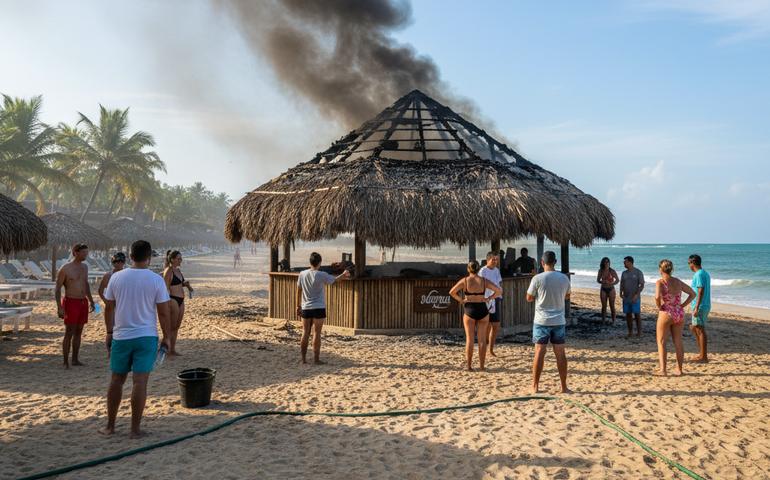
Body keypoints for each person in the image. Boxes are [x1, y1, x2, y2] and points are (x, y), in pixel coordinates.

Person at [100, 240, 171, 439]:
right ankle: (135, 430)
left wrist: (109, 332)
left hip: (121, 336)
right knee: (140, 382)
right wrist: (167, 337)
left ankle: (110, 426)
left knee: (116, 380)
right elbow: (163, 312)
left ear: (130, 257)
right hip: (147, 337)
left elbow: (109, 308)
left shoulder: (116, 277)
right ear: (149, 257)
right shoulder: (156, 279)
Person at [525, 251, 571, 393]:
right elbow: (567, 296)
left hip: (542, 321)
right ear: (555, 262)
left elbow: (529, 298)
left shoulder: (537, 279)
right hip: (559, 321)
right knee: (560, 354)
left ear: (542, 263)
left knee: (539, 352)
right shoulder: (564, 278)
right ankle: (563, 386)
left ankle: (535, 386)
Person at [295, 252, 350, 364]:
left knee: (305, 333)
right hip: (318, 307)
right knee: (316, 333)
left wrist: (298, 305)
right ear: (319, 263)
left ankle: (303, 359)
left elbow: (299, 290)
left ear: (310, 262)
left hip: (306, 306)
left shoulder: (302, 274)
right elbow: (336, 280)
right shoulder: (321, 275)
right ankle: (316, 359)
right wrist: (344, 274)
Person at [450, 260, 502, 372]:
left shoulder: (465, 281)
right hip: (482, 308)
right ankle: (482, 367)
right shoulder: (483, 281)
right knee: (482, 340)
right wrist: (489, 298)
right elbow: (498, 290)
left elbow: (452, 292)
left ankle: (469, 367)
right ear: (478, 270)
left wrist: (461, 301)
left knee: (470, 340)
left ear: (468, 269)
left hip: (470, 309)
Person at [55, 243, 96, 370]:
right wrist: (59, 307)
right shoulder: (65, 268)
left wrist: (91, 300)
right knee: (69, 332)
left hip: (82, 301)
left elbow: (85, 284)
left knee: (79, 331)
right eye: (83, 252)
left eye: (86, 252)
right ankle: (65, 362)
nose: (86, 254)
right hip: (71, 301)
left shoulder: (84, 267)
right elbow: (57, 288)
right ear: (75, 253)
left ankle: (75, 359)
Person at [653, 259, 695, 376]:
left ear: (660, 269)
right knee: (678, 342)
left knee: (661, 342)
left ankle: (663, 370)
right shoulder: (678, 282)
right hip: (679, 313)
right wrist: (682, 305)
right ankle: (679, 369)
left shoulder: (661, 282)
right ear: (671, 269)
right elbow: (693, 294)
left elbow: (657, 297)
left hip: (667, 312)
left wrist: (659, 306)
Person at [162, 250, 193, 357]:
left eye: (181, 258)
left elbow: (177, 284)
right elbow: (165, 287)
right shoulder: (168, 271)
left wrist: (184, 284)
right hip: (173, 299)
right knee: (171, 327)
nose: (181, 260)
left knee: (176, 327)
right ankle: (167, 351)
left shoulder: (178, 271)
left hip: (181, 300)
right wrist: (167, 303)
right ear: (172, 260)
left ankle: (173, 350)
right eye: (179, 259)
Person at [688, 254, 711, 363]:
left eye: (689, 263)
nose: (689, 265)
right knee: (694, 327)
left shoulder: (699, 274)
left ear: (692, 263)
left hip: (701, 305)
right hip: (704, 304)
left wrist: (696, 307)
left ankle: (703, 357)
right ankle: (701, 354)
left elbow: (701, 291)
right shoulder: (705, 273)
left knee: (700, 329)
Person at [479, 251, 503, 358]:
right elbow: (480, 285)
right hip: (486, 300)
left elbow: (499, 283)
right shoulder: (483, 271)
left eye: (496, 260)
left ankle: (491, 350)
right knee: (487, 325)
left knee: (496, 325)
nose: (495, 262)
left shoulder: (496, 270)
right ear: (488, 259)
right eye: (493, 259)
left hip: (495, 298)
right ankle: (483, 348)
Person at [619, 256, 645, 338]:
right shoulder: (624, 273)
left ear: (630, 262)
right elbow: (621, 283)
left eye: (625, 262)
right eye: (624, 262)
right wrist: (620, 292)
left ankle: (639, 333)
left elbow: (642, 285)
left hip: (635, 297)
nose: (624, 263)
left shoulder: (638, 272)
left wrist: (637, 294)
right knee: (628, 315)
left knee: (637, 315)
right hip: (626, 297)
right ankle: (630, 333)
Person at [596, 257, 619, 326]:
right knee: (604, 306)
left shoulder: (612, 271)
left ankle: (614, 322)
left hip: (611, 289)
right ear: (603, 263)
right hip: (603, 288)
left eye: (607, 262)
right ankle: (603, 322)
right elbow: (598, 280)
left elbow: (617, 280)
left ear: (609, 263)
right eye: (605, 262)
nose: (606, 263)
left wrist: (612, 283)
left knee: (612, 306)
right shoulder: (600, 271)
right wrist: (603, 282)